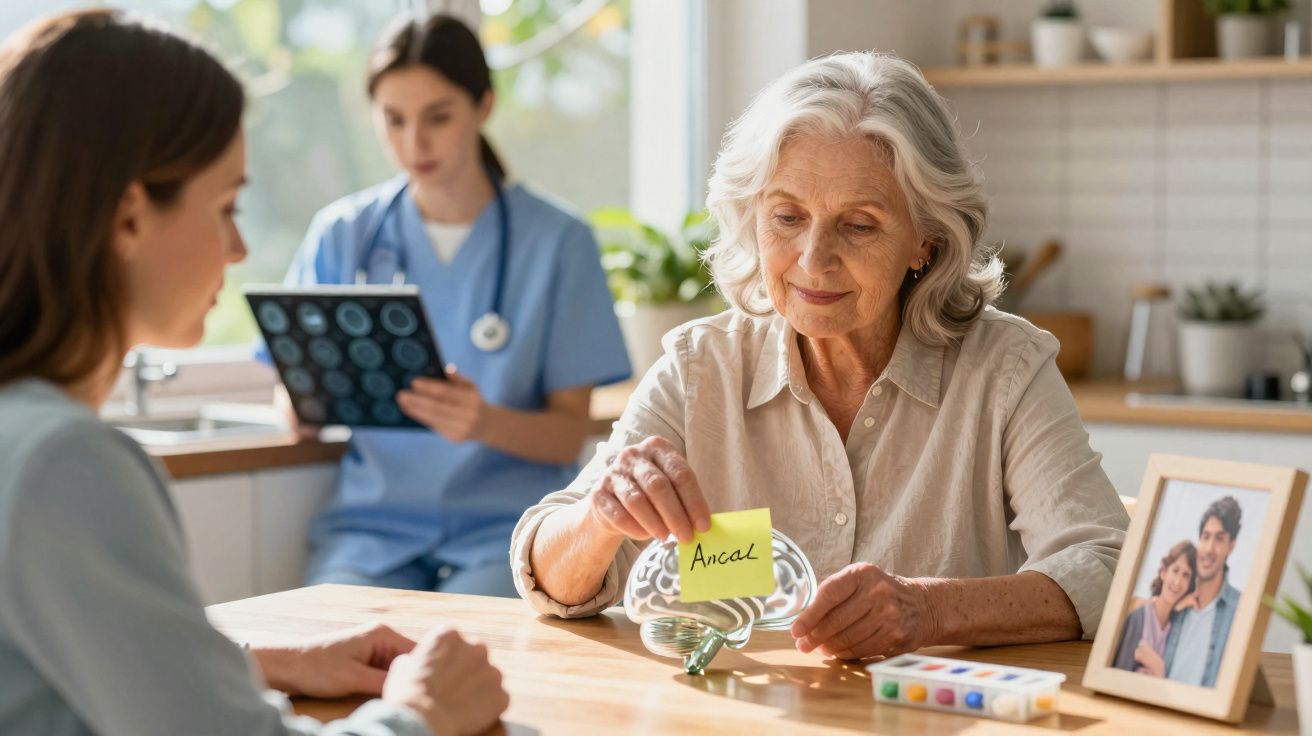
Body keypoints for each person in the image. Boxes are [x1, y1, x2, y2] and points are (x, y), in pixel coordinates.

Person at [510, 51, 1129, 659]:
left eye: (858, 225)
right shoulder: (702, 368)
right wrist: (600, 518)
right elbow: (553, 579)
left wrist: (929, 610)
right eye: (786, 216)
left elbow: (1109, 564)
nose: (812, 258)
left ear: (926, 241)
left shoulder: (1004, 368)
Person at [0, 10, 507, 735]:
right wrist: (420, 716)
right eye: (226, 206)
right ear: (129, 216)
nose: (238, 249)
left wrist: (258, 660)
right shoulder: (64, 462)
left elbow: (71, 663)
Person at [273, 13, 630, 596]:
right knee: (324, 650)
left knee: (460, 658)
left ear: (483, 106)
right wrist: (300, 404)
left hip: (505, 534)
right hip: (371, 533)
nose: (415, 143)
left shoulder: (558, 241)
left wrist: (482, 422)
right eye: (393, 120)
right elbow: (289, 386)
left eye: (438, 117)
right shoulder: (343, 234)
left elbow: (569, 436)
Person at [1143, 497, 1243, 687]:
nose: (1208, 549)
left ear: (1231, 546)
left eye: (1219, 538)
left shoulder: (1240, 609)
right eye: (1205, 537)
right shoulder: (1176, 604)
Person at [1112, 540, 1196, 673]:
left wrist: (1155, 664)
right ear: (1163, 572)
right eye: (1175, 570)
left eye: (1186, 575)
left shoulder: (1177, 629)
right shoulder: (1138, 617)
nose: (1178, 582)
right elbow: (1118, 672)